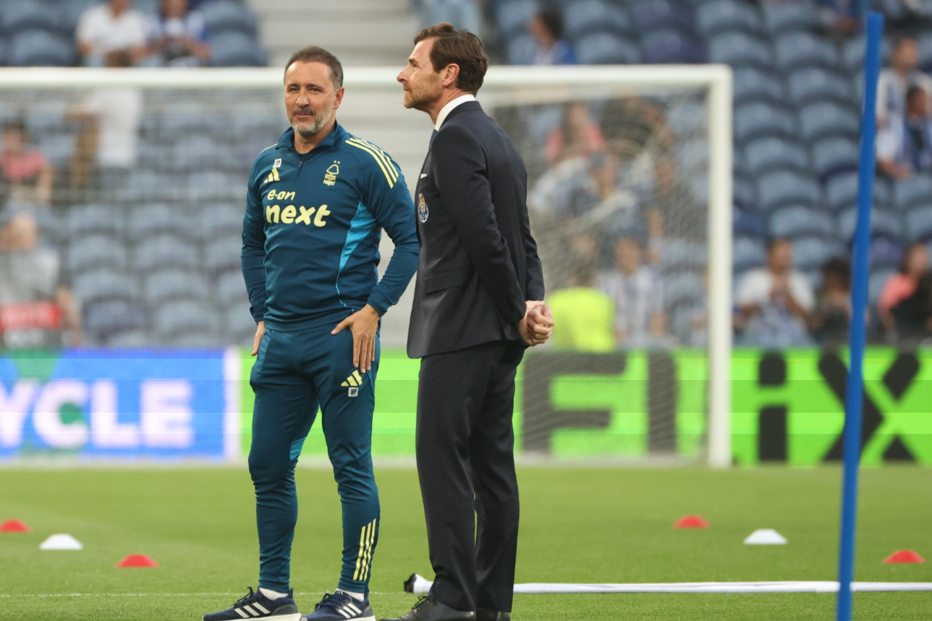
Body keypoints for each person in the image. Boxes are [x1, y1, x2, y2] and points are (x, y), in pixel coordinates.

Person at [204, 46, 419, 621]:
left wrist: (376, 308)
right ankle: (274, 596)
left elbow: (412, 242)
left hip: (341, 339)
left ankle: (356, 595)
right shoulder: (266, 164)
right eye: (293, 88)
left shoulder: (367, 161)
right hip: (281, 341)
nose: (302, 99)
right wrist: (261, 311)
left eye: (315, 89)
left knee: (351, 465)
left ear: (338, 96)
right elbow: (251, 244)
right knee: (267, 465)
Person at [392, 23, 552, 621]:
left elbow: (488, 239)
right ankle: (491, 605)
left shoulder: (455, 138)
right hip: (497, 335)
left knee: (442, 458)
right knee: (493, 470)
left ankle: (453, 597)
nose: (403, 74)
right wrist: (529, 306)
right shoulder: (499, 140)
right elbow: (524, 241)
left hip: (462, 329)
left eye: (413, 63)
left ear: (447, 73)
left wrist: (518, 309)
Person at [0, 212, 81, 348]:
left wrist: (75, 330)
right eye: (16, 235)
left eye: (26, 234)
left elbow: (66, 301)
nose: (21, 240)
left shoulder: (50, 263)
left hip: (46, 345)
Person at [67, 50, 143, 197]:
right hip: (127, 157)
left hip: (107, 159)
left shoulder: (110, 90)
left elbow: (75, 113)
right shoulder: (134, 92)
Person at [734, 238, 815, 347]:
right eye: (781, 256)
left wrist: (789, 297)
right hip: (758, 335)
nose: (785, 260)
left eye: (787, 256)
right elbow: (744, 310)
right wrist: (768, 297)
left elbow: (807, 314)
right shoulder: (754, 277)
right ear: (769, 255)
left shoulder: (799, 279)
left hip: (794, 338)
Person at [597, 236, 665, 347]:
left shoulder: (652, 279)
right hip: (618, 339)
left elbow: (658, 314)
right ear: (616, 256)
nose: (627, 255)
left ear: (638, 253)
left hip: (646, 338)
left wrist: (653, 341)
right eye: (622, 252)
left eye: (631, 250)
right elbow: (606, 317)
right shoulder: (607, 283)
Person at [547, 260, 615, 351]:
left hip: (567, 359)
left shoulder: (556, 301)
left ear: (572, 277)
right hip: (602, 356)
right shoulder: (604, 300)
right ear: (593, 279)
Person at [877, 37, 932, 132]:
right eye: (907, 53)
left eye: (913, 52)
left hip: (919, 136)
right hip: (889, 137)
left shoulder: (923, 81)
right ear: (895, 53)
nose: (911, 57)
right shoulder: (882, 81)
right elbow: (876, 116)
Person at [877, 85, 932, 179]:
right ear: (914, 101)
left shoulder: (929, 125)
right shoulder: (894, 124)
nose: (927, 104)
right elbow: (883, 160)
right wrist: (896, 171)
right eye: (924, 100)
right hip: (903, 179)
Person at [76, 0, 149, 66]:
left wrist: (120, 57)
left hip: (125, 60)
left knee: (148, 62)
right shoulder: (92, 15)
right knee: (92, 61)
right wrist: (107, 55)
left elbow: (139, 49)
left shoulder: (136, 19)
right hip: (100, 59)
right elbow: (83, 46)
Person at [879, 241, 929, 331]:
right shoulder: (897, 281)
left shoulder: (929, 282)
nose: (921, 260)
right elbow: (885, 309)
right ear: (908, 258)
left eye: (923, 256)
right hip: (902, 327)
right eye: (917, 256)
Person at [0, 122, 54, 206]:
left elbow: (43, 194)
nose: (15, 142)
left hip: (32, 203)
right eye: (11, 138)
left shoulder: (36, 158)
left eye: (19, 138)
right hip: (6, 204)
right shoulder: (2, 158)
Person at [147, 0, 211, 67]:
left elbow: (207, 53)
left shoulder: (195, 20)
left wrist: (186, 44)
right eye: (168, 2)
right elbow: (141, 57)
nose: (173, 5)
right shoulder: (152, 23)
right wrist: (162, 44)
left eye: (176, 1)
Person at [808, 257, 852, 344]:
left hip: (848, 342)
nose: (833, 287)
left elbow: (864, 325)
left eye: (836, 283)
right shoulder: (819, 297)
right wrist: (826, 308)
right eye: (829, 282)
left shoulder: (853, 298)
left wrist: (844, 307)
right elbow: (812, 326)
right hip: (823, 345)